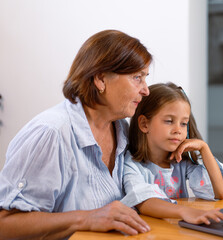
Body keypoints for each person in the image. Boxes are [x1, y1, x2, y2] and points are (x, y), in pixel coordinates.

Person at [0, 30, 153, 239]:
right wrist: (87, 218)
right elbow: (5, 225)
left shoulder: (122, 129)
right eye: (137, 78)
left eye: (145, 78)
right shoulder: (50, 134)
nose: (146, 90)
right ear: (100, 79)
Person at [121, 82, 223, 224]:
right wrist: (184, 211)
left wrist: (204, 149)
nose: (178, 130)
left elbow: (220, 193)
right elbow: (145, 203)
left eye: (183, 123)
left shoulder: (181, 162)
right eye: (169, 121)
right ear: (144, 124)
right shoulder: (132, 164)